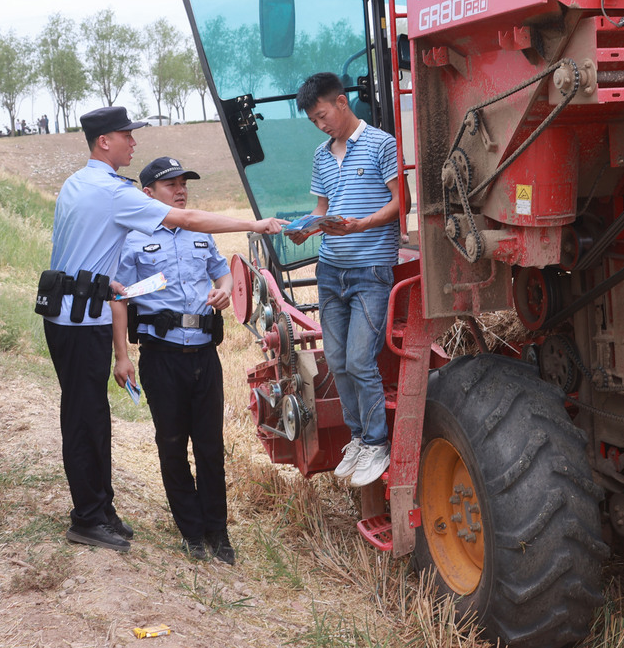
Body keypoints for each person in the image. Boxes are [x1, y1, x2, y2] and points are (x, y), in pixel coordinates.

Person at [42, 106, 283, 552]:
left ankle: (101, 508)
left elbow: (79, 249)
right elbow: (187, 221)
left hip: (79, 311)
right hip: (82, 319)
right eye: (126, 136)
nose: (133, 143)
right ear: (103, 143)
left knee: (94, 418)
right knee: (84, 420)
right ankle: (88, 516)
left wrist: (107, 282)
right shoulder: (112, 191)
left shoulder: (77, 183)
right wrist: (254, 224)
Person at [112, 158, 236, 563]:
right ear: (148, 194)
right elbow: (118, 299)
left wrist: (225, 290)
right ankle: (192, 531)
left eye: (183, 184)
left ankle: (218, 532)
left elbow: (223, 274)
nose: (180, 191)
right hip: (161, 358)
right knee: (171, 445)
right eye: (170, 185)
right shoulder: (132, 239)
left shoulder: (200, 234)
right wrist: (122, 357)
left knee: (210, 446)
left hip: (204, 353)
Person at [289, 72, 400, 488]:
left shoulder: (381, 144)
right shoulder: (321, 155)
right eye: (314, 121)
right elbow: (322, 208)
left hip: (370, 269)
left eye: (322, 116)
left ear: (341, 102)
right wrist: (307, 229)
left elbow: (399, 201)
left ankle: (376, 442)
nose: (321, 125)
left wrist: (362, 225)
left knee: (359, 360)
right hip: (330, 270)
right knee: (336, 362)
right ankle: (356, 438)